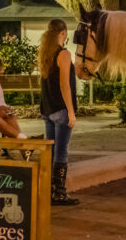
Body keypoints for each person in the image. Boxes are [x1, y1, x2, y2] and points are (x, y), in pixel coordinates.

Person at [38, 19, 79, 205]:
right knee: (61, 152)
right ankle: (59, 193)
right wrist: (71, 111)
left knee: (52, 151)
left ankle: (49, 190)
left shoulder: (45, 53)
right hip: (61, 109)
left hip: (48, 109)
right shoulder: (63, 54)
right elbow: (65, 85)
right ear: (62, 33)